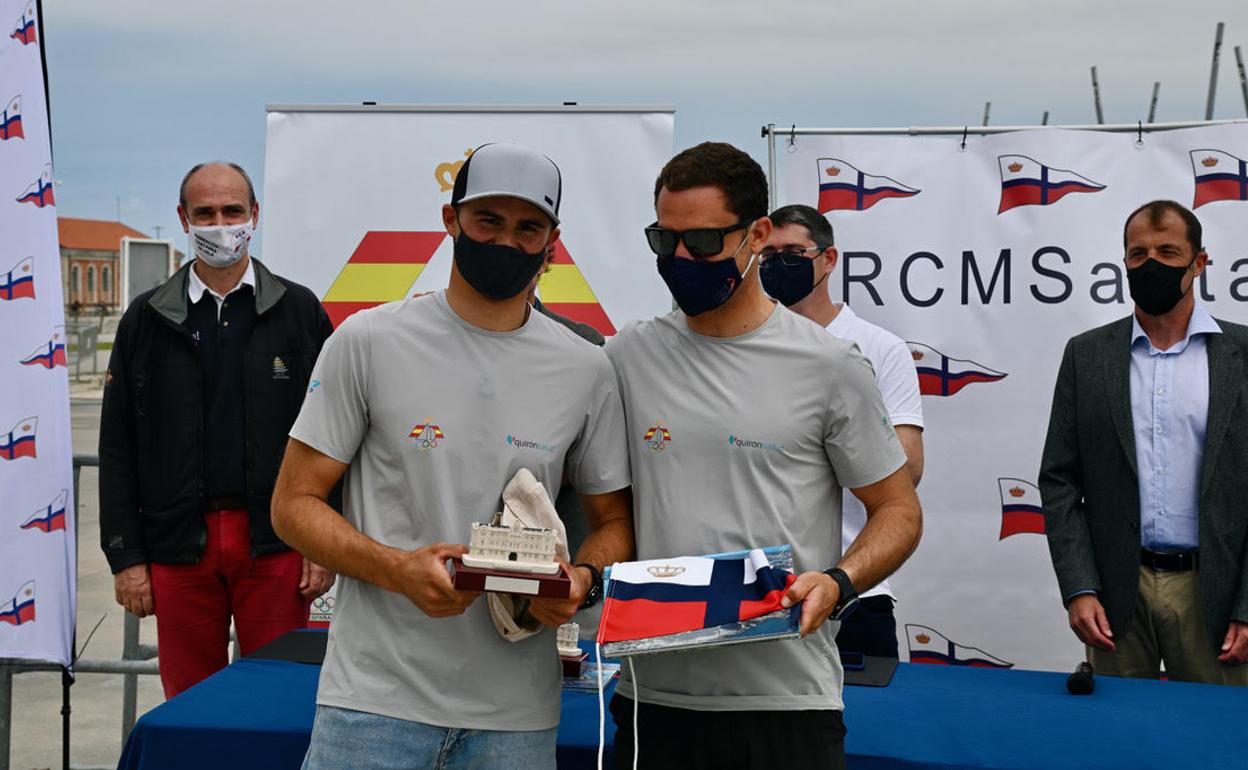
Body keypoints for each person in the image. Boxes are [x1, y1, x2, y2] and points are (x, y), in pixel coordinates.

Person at [270, 142, 634, 769]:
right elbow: (292, 505)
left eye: (528, 228)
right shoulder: (367, 342)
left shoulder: (585, 366)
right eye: (487, 220)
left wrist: (581, 579)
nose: (506, 242)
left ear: (552, 242)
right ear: (450, 219)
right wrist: (395, 569)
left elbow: (613, 523)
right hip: (372, 707)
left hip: (515, 721)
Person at [604, 142, 923, 769]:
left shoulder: (829, 364)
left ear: (757, 235)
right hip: (654, 701)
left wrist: (838, 583)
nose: (679, 260)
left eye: (701, 242)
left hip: (787, 704)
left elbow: (898, 510)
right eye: (663, 241)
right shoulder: (626, 358)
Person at [99, 161, 336, 698]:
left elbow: (334, 433)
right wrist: (126, 557)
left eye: (232, 210)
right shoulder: (145, 319)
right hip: (177, 546)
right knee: (188, 701)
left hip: (277, 543)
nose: (220, 224)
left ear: (255, 215)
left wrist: (322, 541)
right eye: (204, 213)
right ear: (183, 218)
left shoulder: (299, 312)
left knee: (277, 698)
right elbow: (117, 446)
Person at [1040, 199, 1248, 685]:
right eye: (1138, 254)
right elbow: (1059, 480)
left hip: (1213, 595)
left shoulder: (1242, 356)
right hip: (1116, 595)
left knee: (1215, 749)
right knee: (1117, 742)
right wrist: (1080, 586)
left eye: (1168, 252)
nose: (1150, 264)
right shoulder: (1087, 356)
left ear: (1199, 263)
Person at [759, 204, 924, 659]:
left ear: (828, 260)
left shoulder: (877, 349)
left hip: (854, 589)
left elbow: (907, 469)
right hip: (761, 591)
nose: (778, 263)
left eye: (794, 251)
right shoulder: (748, 345)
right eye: (768, 253)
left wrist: (827, 439)